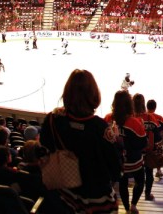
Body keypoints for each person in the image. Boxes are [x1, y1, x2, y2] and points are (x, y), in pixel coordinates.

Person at [39, 69, 122, 213]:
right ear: (93, 94)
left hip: (64, 196)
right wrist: (116, 141)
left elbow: (45, 149)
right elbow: (116, 170)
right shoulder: (101, 129)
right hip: (97, 201)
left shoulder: (52, 119)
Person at [104, 90, 147, 214]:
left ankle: (127, 208)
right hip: (135, 162)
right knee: (140, 182)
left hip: (118, 163)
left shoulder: (107, 119)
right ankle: (133, 205)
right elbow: (143, 144)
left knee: (122, 184)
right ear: (130, 104)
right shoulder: (135, 122)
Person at [147, 99, 163, 179]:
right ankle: (158, 170)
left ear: (147, 106)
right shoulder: (159, 118)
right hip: (156, 143)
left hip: (144, 143)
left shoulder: (141, 117)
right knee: (159, 154)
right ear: (155, 107)